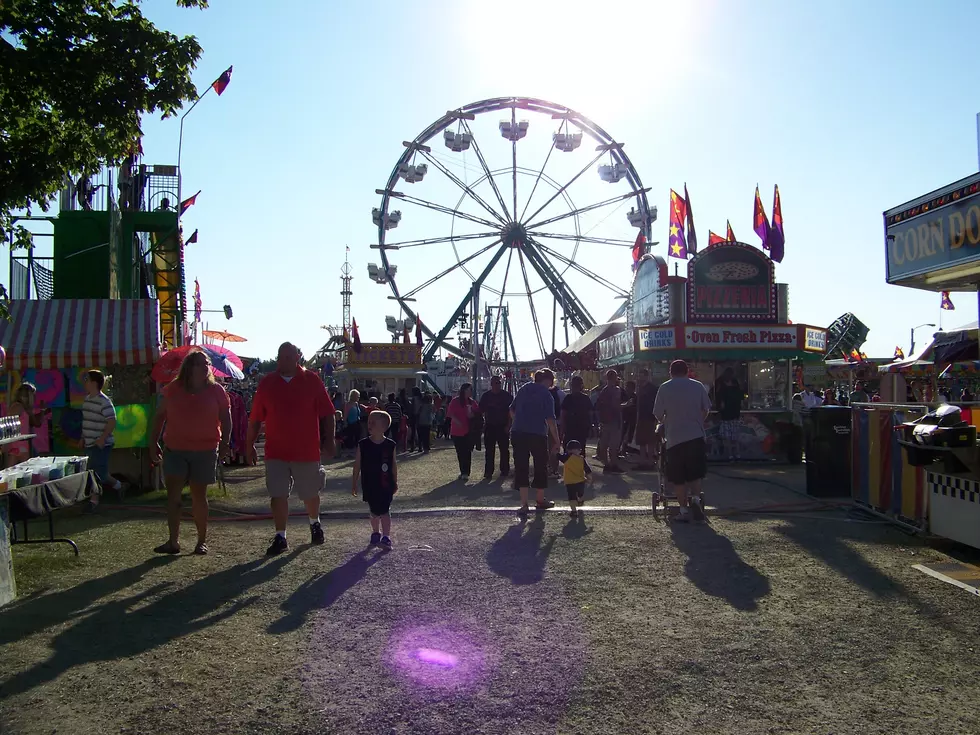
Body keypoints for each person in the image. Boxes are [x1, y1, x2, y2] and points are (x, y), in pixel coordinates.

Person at [247, 342, 336, 556]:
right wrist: (248, 444)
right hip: (276, 451)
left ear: (297, 357)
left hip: (306, 450)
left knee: (310, 493)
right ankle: (281, 536)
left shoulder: (311, 380)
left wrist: (329, 440)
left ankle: (314, 523)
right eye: (281, 356)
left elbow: (327, 413)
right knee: (278, 495)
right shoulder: (267, 383)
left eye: (289, 356)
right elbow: (256, 417)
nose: (284, 360)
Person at [149, 350, 232, 555]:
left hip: (205, 449)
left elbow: (226, 417)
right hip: (176, 448)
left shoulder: (216, 391)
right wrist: (152, 442)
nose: (205, 367)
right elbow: (159, 417)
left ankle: (201, 541)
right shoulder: (172, 390)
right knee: (173, 497)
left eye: (207, 364)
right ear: (189, 367)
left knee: (198, 496)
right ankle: (173, 542)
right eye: (200, 364)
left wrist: (226, 443)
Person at [653, 360, 711, 523]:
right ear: (687, 371)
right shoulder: (697, 386)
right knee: (695, 473)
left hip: (675, 438)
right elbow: (706, 409)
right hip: (695, 436)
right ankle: (696, 501)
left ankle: (683, 510)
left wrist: (667, 420)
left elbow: (658, 414)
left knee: (678, 477)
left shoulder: (664, 388)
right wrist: (698, 420)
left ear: (670, 372)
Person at [510, 369, 560, 512]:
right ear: (549, 380)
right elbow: (550, 420)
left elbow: (512, 410)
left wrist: (520, 421)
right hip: (537, 433)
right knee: (540, 465)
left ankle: (524, 503)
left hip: (518, 432)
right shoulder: (546, 395)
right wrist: (557, 440)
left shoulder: (523, 389)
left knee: (521, 466)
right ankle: (539, 498)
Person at [351, 410, 397, 549]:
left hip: (385, 483)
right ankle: (375, 532)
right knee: (373, 511)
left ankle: (386, 536)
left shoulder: (390, 445)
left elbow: (393, 465)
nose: (369, 425)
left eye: (373, 422)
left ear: (383, 426)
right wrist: (354, 483)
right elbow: (357, 465)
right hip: (369, 484)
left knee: (385, 510)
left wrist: (395, 481)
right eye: (368, 422)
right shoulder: (363, 444)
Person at [81, 370, 124, 511]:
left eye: (87, 380)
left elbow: (111, 421)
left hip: (101, 444)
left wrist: (102, 439)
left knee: (97, 472)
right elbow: (86, 421)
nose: (84, 383)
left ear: (94, 383)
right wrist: (82, 438)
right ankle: (119, 486)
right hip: (89, 442)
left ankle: (94, 501)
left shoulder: (104, 401)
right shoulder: (87, 400)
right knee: (97, 472)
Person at [7, 382, 51, 466]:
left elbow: (35, 422)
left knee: (16, 472)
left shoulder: (22, 407)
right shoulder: (19, 407)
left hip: (19, 444)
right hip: (18, 444)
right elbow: (36, 423)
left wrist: (42, 411)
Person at [480, 375, 513, 479]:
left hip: (503, 426)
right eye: (495, 383)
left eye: (499, 383)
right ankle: (488, 472)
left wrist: (509, 425)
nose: (497, 385)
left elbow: (511, 412)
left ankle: (504, 470)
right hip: (490, 426)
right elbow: (480, 410)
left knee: (504, 450)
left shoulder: (507, 396)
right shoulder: (486, 396)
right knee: (489, 450)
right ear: (491, 384)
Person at [595, 369, 625, 474]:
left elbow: (598, 405)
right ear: (615, 377)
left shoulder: (603, 390)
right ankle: (614, 465)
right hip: (614, 420)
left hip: (604, 420)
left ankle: (606, 464)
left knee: (604, 444)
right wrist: (626, 405)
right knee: (614, 445)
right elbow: (616, 405)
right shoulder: (616, 390)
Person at [446, 383, 479, 480]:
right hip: (456, 431)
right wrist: (458, 422)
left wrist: (471, 413)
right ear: (464, 390)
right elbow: (450, 414)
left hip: (468, 431)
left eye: (471, 390)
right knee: (460, 452)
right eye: (469, 390)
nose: (470, 392)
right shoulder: (455, 401)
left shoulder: (472, 402)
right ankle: (463, 471)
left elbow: (476, 415)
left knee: (468, 451)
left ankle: (466, 472)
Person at [558, 439, 592, 518]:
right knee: (580, 493)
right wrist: (589, 479)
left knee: (572, 497)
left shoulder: (566, 457)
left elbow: (558, 456)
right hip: (580, 481)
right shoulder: (581, 459)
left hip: (569, 482)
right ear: (579, 450)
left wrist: (556, 451)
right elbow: (587, 470)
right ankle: (580, 500)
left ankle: (574, 511)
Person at [715, 368, 744, 461]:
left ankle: (730, 454)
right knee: (735, 437)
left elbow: (720, 402)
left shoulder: (721, 385)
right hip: (735, 413)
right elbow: (741, 398)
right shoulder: (735, 384)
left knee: (727, 437)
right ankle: (737, 454)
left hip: (726, 415)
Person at [560, 375, 593, 453]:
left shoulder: (568, 398)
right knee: (580, 450)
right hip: (581, 429)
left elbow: (563, 415)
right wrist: (591, 427)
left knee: (568, 450)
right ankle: (578, 464)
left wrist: (562, 429)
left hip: (570, 429)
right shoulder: (585, 398)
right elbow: (591, 414)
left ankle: (570, 464)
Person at [633, 369, 659, 469]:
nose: (639, 377)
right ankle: (642, 461)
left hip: (650, 417)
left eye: (641, 375)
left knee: (650, 441)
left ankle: (650, 461)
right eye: (639, 375)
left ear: (646, 376)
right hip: (640, 417)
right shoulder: (639, 388)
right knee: (641, 441)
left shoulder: (652, 388)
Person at [620, 380, 637, 457]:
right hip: (624, 417)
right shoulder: (623, 395)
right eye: (626, 387)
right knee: (622, 434)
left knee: (628, 435)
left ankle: (623, 450)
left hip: (631, 418)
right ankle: (620, 450)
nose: (627, 388)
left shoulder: (634, 396)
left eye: (629, 387)